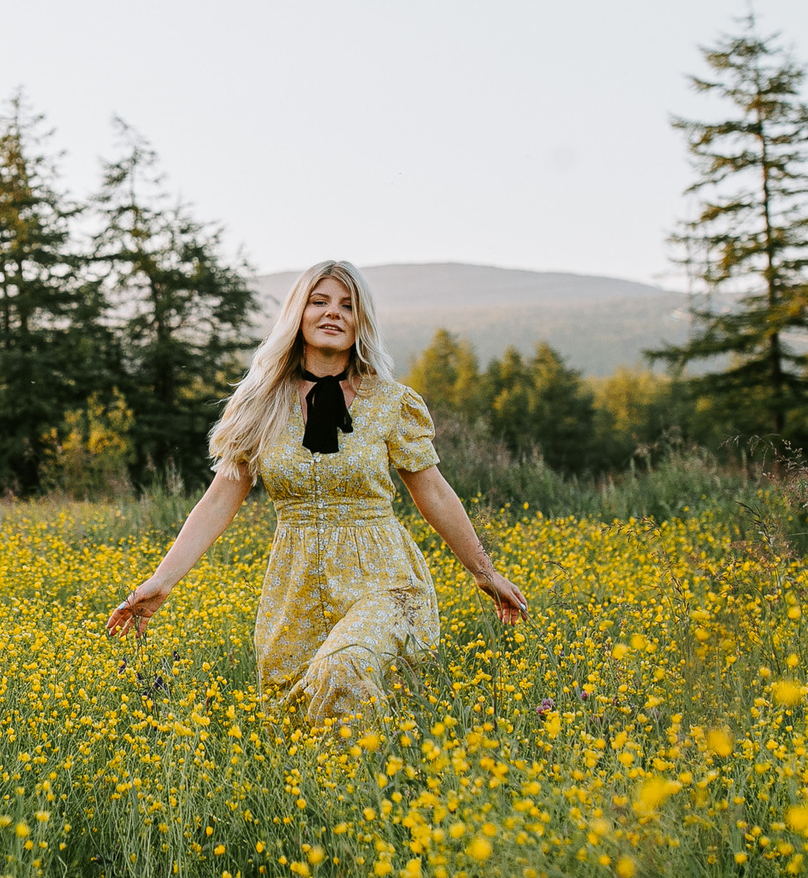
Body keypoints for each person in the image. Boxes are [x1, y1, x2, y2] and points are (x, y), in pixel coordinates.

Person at [105, 259, 526, 722]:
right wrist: (160, 582)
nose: (333, 313)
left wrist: (485, 572)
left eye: (348, 305)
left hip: (383, 578)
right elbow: (219, 499)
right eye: (319, 301)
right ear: (297, 314)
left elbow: (436, 494)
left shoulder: (391, 403)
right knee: (299, 726)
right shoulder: (259, 405)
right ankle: (372, 790)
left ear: (361, 321)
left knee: (344, 665)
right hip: (295, 586)